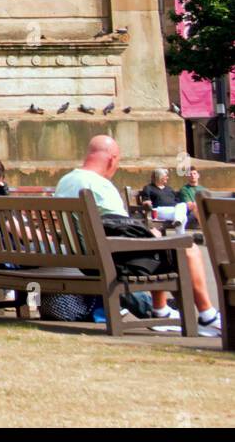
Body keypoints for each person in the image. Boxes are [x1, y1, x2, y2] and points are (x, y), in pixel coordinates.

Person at [56, 135, 220, 330]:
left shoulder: (65, 181)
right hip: (110, 259)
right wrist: (151, 235)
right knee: (188, 249)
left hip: (84, 258)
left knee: (159, 244)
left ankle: (161, 310)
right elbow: (122, 227)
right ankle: (207, 314)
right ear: (112, 159)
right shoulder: (98, 185)